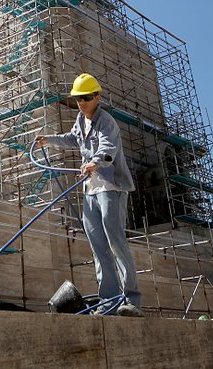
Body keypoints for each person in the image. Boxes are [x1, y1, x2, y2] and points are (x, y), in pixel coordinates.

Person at [35, 73, 143, 317]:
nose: (81, 102)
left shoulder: (107, 122)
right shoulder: (80, 120)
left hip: (110, 188)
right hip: (90, 190)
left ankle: (132, 301)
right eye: (77, 98)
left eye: (85, 97)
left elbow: (108, 148)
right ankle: (110, 303)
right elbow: (72, 139)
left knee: (116, 243)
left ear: (97, 96)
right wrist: (48, 140)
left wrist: (94, 162)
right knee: (98, 247)